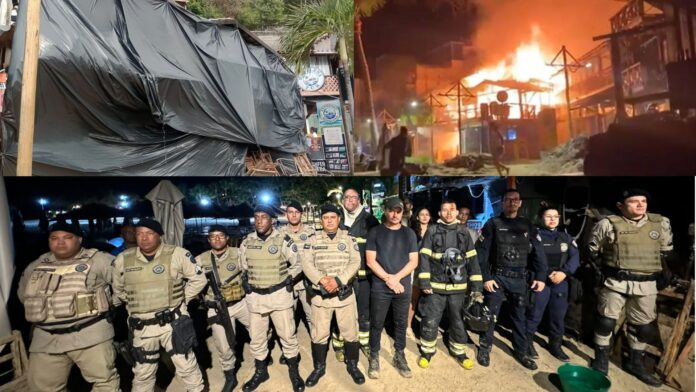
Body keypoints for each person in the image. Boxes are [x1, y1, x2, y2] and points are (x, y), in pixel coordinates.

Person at [18, 222, 120, 391]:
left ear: (79, 239)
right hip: (46, 340)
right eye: (54, 238)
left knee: (105, 383)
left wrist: (110, 304)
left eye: (67, 237)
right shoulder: (37, 265)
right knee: (43, 387)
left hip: (90, 335)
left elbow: (124, 286)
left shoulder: (99, 260)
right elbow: (24, 294)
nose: (60, 242)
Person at [589, 189, 672, 387]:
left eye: (643, 201)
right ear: (620, 205)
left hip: (646, 284)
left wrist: (664, 274)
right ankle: (601, 360)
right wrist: (602, 272)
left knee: (643, 328)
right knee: (606, 322)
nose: (640, 205)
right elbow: (593, 251)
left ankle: (636, 363)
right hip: (616, 282)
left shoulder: (660, 223)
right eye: (634, 201)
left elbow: (665, 252)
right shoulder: (607, 224)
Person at [112, 218, 206, 392]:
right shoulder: (123, 259)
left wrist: (181, 299)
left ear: (159, 236)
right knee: (143, 372)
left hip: (173, 323)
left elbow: (198, 279)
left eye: (149, 233)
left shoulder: (177, 254)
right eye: (139, 233)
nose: (144, 238)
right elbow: (118, 290)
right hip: (142, 327)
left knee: (187, 366)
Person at [476, 189, 548, 370]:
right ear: (502, 202)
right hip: (497, 277)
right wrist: (486, 278)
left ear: (520, 203)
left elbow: (539, 252)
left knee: (519, 317)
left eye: (515, 200)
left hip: (519, 279)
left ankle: (521, 351)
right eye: (508, 200)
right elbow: (481, 253)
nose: (512, 203)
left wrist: (540, 277)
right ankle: (485, 348)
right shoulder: (493, 223)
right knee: (489, 316)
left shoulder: (528, 225)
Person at [239, 205, 304, 392]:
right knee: (257, 339)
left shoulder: (283, 239)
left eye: (264, 217)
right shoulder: (246, 242)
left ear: (272, 220)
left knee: (287, 335)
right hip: (256, 299)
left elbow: (297, 264)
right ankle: (261, 372)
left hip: (279, 297)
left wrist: (287, 279)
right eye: (256, 217)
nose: (259, 220)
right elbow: (244, 267)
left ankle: (294, 371)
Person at [302, 204, 365, 388]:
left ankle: (352, 365)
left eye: (333, 217)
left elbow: (355, 261)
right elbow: (306, 263)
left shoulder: (348, 239)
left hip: (344, 296)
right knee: (319, 335)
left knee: (350, 333)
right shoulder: (312, 239)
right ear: (321, 220)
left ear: (339, 219)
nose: (329, 220)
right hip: (320, 298)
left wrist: (338, 280)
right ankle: (319, 368)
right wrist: (322, 280)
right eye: (325, 217)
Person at [417, 199, 483, 370]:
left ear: (456, 212)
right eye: (444, 210)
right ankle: (427, 351)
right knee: (431, 319)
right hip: (435, 286)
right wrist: (424, 282)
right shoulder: (432, 231)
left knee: (458, 320)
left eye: (451, 210)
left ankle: (459, 351)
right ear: (439, 213)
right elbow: (423, 257)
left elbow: (473, 260)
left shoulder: (464, 232)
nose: (448, 213)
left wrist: (476, 288)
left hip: (458, 287)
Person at [366, 197, 419, 379]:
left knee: (400, 323)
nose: (395, 214)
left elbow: (414, 261)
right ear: (385, 211)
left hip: (402, 286)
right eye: (391, 210)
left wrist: (396, 278)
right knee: (377, 323)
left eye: (399, 210)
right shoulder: (374, 232)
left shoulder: (409, 234)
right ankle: (374, 355)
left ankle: (400, 355)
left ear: (403, 212)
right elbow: (370, 261)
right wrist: (389, 279)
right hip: (381, 286)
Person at [196, 225, 251, 392]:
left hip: (241, 303)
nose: (217, 239)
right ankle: (230, 377)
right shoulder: (200, 259)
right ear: (208, 240)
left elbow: (250, 270)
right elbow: (192, 281)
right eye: (213, 236)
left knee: (260, 331)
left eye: (220, 236)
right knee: (223, 345)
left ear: (227, 238)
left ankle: (262, 358)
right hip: (217, 307)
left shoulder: (238, 253)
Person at [525, 204, 579, 362]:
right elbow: (530, 258)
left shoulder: (566, 237)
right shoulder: (534, 236)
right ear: (541, 218)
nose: (552, 219)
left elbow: (575, 258)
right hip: (540, 280)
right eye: (548, 216)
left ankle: (555, 345)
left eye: (555, 217)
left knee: (558, 315)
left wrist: (564, 272)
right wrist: (544, 274)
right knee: (534, 313)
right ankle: (528, 342)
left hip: (560, 280)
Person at [335, 188, 379, 360]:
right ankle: (340, 344)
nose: (350, 200)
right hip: (342, 277)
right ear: (343, 200)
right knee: (341, 312)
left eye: (353, 197)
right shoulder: (337, 218)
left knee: (363, 312)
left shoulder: (370, 220)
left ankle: (364, 343)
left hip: (363, 278)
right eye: (347, 197)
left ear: (359, 199)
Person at [278, 200, 315, 336]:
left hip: (306, 282)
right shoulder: (279, 234)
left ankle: (317, 344)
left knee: (312, 316)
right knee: (287, 318)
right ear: (286, 214)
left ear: (301, 214)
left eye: (296, 212)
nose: (293, 215)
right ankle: (290, 350)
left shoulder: (311, 232)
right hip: (288, 282)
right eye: (290, 212)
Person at [408, 206, 432, 336]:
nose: (424, 216)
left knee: (429, 301)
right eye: (421, 214)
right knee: (413, 299)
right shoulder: (412, 232)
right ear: (417, 217)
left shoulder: (434, 231)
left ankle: (428, 327)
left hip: (430, 269)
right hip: (416, 269)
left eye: (427, 214)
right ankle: (408, 326)